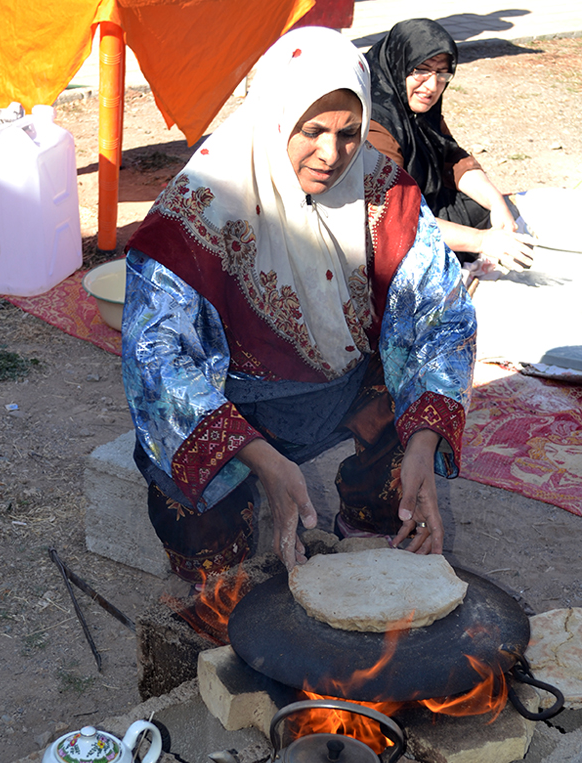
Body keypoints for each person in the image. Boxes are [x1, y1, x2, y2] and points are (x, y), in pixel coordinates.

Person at [121, 26, 476, 584]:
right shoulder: (201, 205)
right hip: (238, 405)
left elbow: (442, 317)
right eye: (311, 130)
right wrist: (260, 459)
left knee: (412, 397)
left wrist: (423, 445)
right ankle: (217, 592)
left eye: (350, 132)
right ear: (276, 116)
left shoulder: (382, 187)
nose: (332, 155)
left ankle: (373, 533)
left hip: (344, 388)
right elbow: (156, 356)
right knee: (190, 487)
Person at [366, 18, 534, 272]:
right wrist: (482, 241)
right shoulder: (376, 125)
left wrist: (497, 203)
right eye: (421, 70)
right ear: (398, 64)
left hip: (421, 208)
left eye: (442, 73)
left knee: (488, 209)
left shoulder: (419, 110)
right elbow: (392, 217)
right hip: (385, 229)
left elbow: (452, 158)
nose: (433, 86)